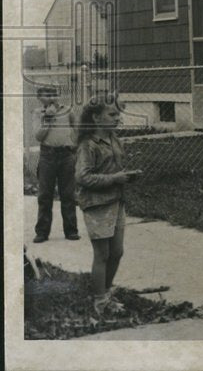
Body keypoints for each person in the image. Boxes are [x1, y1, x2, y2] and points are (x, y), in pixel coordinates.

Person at [75, 92, 142, 315]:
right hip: (97, 204)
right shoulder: (88, 144)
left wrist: (127, 175)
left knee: (117, 252)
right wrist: (115, 179)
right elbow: (83, 177)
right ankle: (99, 301)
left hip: (116, 201)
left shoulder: (114, 139)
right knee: (102, 254)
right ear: (95, 118)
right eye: (112, 114)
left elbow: (113, 169)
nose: (117, 118)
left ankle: (106, 292)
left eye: (118, 114)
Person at [32, 85, 80, 243]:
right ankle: (42, 232)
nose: (52, 98)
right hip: (48, 156)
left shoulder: (67, 110)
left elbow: (76, 128)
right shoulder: (38, 113)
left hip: (66, 155)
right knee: (45, 195)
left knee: (68, 194)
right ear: (40, 98)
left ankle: (71, 230)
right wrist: (48, 118)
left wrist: (73, 143)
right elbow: (39, 136)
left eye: (54, 94)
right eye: (47, 95)